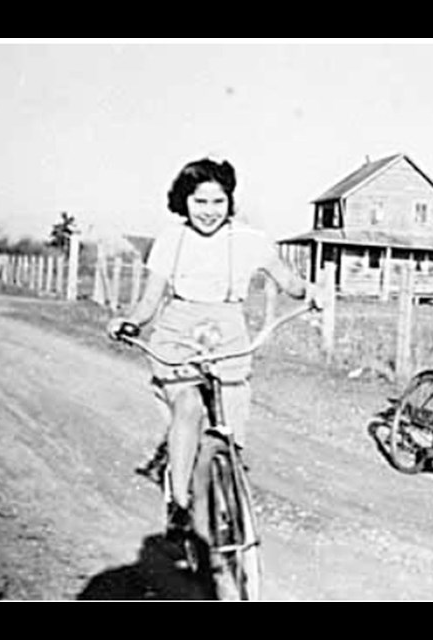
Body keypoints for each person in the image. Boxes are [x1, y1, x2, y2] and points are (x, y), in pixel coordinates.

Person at [107, 156, 319, 539]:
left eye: (217, 202)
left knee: (231, 431)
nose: (209, 211)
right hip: (178, 334)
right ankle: (179, 504)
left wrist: (310, 291)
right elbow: (150, 300)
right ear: (183, 202)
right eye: (199, 202)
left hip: (229, 334)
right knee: (188, 406)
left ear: (230, 202)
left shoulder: (250, 241)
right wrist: (131, 322)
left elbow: (290, 282)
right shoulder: (172, 240)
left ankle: (222, 492)